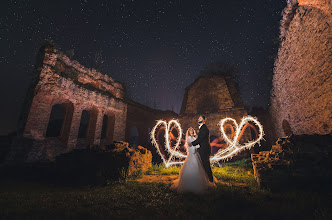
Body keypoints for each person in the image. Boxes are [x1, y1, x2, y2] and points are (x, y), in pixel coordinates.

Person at [170, 127, 216, 194]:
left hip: (196, 154)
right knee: (192, 168)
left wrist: (196, 138)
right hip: (192, 155)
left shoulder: (194, 138)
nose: (191, 131)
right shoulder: (189, 138)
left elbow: (197, 145)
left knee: (198, 168)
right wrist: (195, 146)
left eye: (192, 130)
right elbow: (192, 147)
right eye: (190, 130)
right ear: (188, 132)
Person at [189, 115, 214, 182]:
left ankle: (210, 180)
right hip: (202, 149)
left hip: (204, 149)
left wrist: (192, 143)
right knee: (203, 165)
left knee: (206, 164)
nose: (198, 119)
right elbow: (201, 138)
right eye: (198, 118)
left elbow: (200, 139)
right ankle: (206, 179)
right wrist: (195, 135)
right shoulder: (202, 128)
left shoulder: (204, 128)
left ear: (204, 120)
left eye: (200, 118)